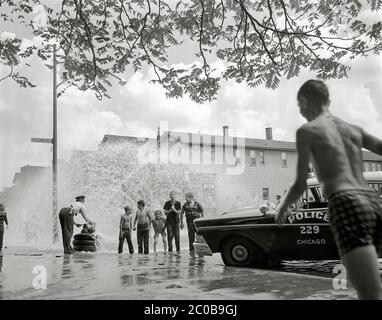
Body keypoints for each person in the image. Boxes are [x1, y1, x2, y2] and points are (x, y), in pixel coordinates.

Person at [275, 79, 382, 300]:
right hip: (373, 202)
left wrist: (282, 207)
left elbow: (300, 184)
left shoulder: (307, 131)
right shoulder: (354, 129)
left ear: (304, 101)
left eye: (299, 106)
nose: (300, 111)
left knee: (369, 293)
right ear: (328, 101)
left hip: (346, 203)